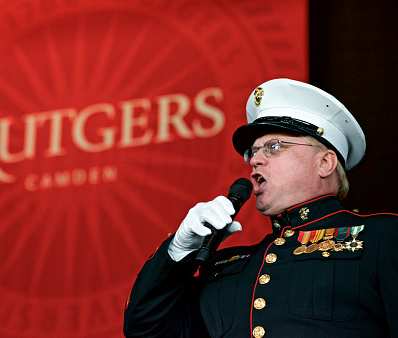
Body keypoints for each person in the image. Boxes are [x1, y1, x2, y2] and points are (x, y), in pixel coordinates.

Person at [123, 78, 398, 337]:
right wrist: (177, 251)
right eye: (252, 152)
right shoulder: (225, 266)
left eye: (274, 147)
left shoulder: (382, 237)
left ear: (324, 163)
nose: (255, 160)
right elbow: (145, 328)